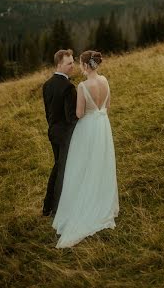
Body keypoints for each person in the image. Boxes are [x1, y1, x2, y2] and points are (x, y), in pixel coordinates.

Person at [52, 50, 119, 248]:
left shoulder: (82, 86)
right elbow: (107, 105)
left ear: (85, 65)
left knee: (83, 165)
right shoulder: (105, 81)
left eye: (79, 64)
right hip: (103, 126)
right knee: (101, 163)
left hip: (88, 128)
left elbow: (79, 113)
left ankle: (85, 204)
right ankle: (102, 199)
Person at [42, 49, 78, 217]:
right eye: (69, 63)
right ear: (59, 64)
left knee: (58, 166)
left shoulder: (47, 85)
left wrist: (53, 128)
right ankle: (54, 208)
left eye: (73, 62)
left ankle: (48, 206)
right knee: (61, 169)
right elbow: (71, 118)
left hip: (53, 132)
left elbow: (48, 113)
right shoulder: (68, 87)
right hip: (65, 136)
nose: (73, 66)